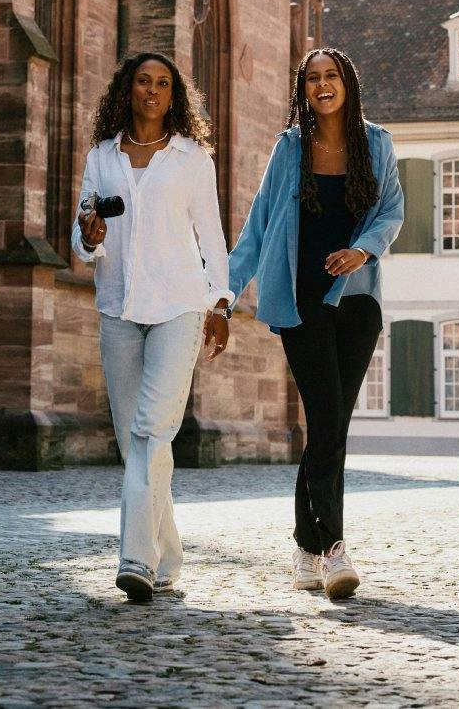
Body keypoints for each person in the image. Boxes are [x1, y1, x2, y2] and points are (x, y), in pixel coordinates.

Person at [227, 48, 404, 600]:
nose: (322, 85)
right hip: (301, 303)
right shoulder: (290, 148)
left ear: (347, 83)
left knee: (331, 427)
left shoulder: (377, 143)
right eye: (312, 78)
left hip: (356, 302)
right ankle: (333, 550)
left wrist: (363, 250)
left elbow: (392, 210)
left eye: (331, 76)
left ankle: (306, 544)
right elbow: (258, 226)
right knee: (326, 420)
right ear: (303, 89)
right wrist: (224, 294)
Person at [72, 52, 234, 602]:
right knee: (132, 441)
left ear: (174, 95)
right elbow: (82, 238)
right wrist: (90, 236)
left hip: (179, 307)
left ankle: (135, 560)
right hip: (118, 307)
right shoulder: (101, 157)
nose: (153, 91)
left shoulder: (193, 160)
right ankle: (167, 556)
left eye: (163, 84)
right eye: (144, 81)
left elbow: (212, 238)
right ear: (128, 89)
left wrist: (222, 304)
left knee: (151, 430)